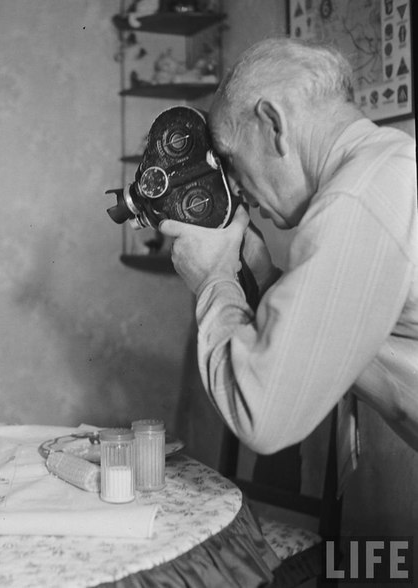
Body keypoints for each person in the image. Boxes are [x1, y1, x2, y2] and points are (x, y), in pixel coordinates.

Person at [160, 37, 418, 457]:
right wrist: (264, 279)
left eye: (230, 156)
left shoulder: (357, 198)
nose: (236, 186)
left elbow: (262, 415)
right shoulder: (389, 165)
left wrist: (213, 280)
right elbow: (341, 340)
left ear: (273, 124)